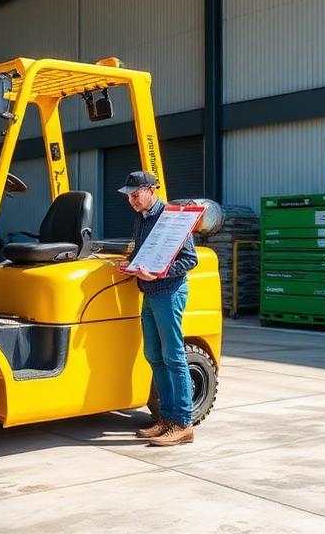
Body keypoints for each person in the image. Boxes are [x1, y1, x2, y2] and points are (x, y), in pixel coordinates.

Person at [118, 171, 198, 447]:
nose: (132, 200)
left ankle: (182, 423)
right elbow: (143, 253)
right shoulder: (141, 218)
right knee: (154, 354)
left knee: (174, 356)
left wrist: (160, 274)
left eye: (135, 194)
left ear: (151, 190)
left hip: (168, 292)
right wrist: (129, 264)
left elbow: (190, 259)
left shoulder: (173, 218)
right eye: (129, 196)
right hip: (149, 293)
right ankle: (166, 418)